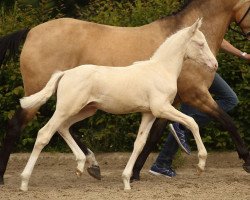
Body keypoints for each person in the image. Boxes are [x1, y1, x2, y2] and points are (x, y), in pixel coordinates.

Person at [149, 39, 250, 177]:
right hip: (192, 70)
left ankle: (163, 161)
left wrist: (243, 54)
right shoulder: (197, 19)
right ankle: (163, 161)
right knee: (228, 100)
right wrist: (243, 55)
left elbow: (218, 39)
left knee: (228, 100)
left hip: (204, 68)